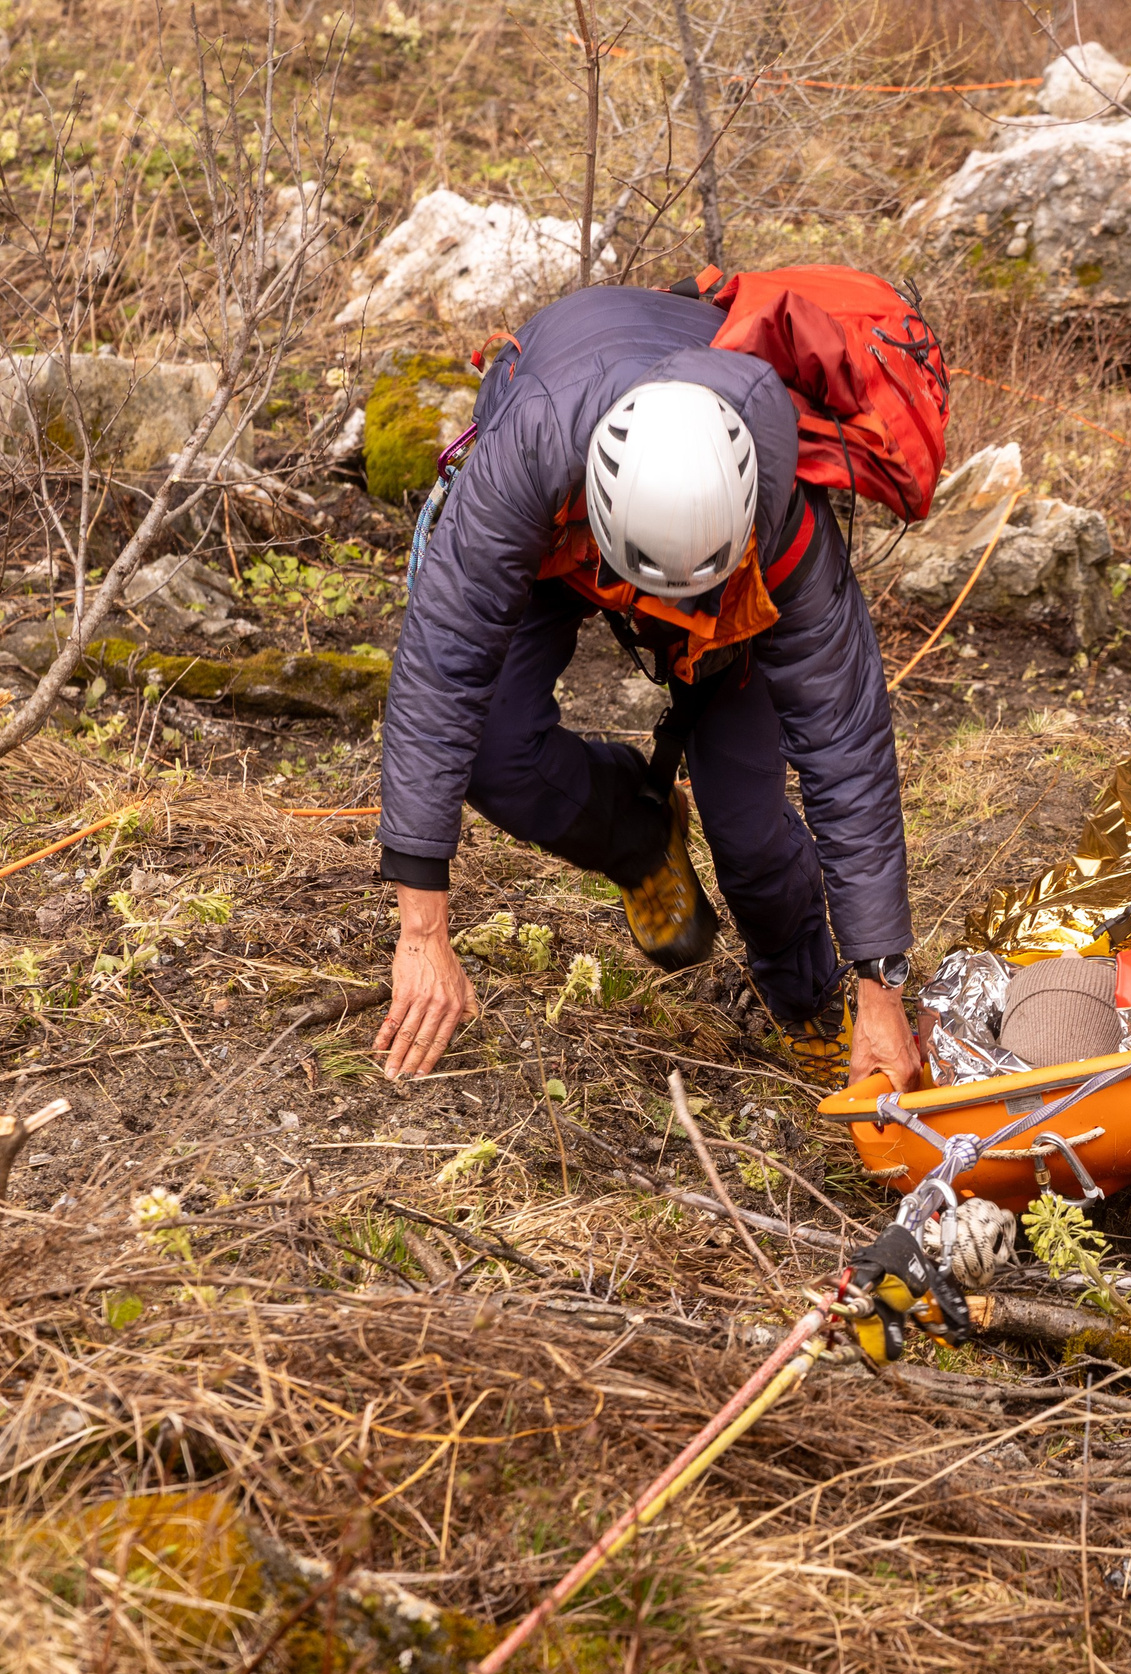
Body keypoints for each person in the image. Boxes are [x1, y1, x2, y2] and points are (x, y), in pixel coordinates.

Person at [371, 278, 939, 1088]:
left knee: (749, 834)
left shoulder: (786, 528)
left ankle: (809, 998)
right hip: (558, 534)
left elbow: (847, 754)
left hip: (735, 583)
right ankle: (639, 835)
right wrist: (422, 929)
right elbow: (441, 663)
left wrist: (881, 986)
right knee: (494, 756)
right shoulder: (527, 455)